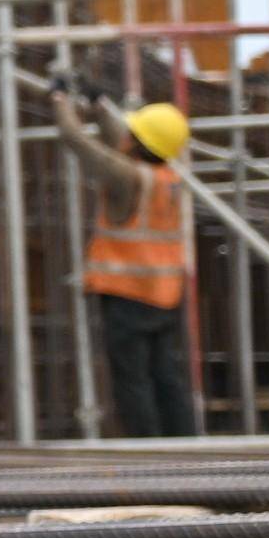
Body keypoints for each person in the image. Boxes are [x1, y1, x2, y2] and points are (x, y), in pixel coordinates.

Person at [51, 85, 197, 439]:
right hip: (164, 295)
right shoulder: (166, 178)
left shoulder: (126, 177)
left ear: (142, 142)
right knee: (166, 376)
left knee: (133, 381)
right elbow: (123, 143)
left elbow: (76, 140)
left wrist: (59, 100)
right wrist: (100, 107)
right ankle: (184, 444)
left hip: (129, 297)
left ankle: (151, 452)